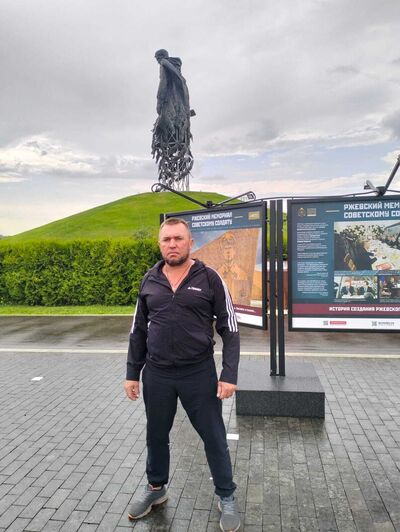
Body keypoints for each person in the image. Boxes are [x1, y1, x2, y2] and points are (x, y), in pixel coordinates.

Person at [124, 217, 241, 532]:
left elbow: (230, 328)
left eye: (178, 239)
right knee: (156, 435)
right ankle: (156, 489)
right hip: (157, 374)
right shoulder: (150, 279)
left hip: (198, 373)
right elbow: (138, 330)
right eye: (166, 240)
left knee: (213, 435)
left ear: (191, 242)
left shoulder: (210, 278)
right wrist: (132, 373)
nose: (172, 244)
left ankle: (226, 495)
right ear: (160, 244)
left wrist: (229, 374)